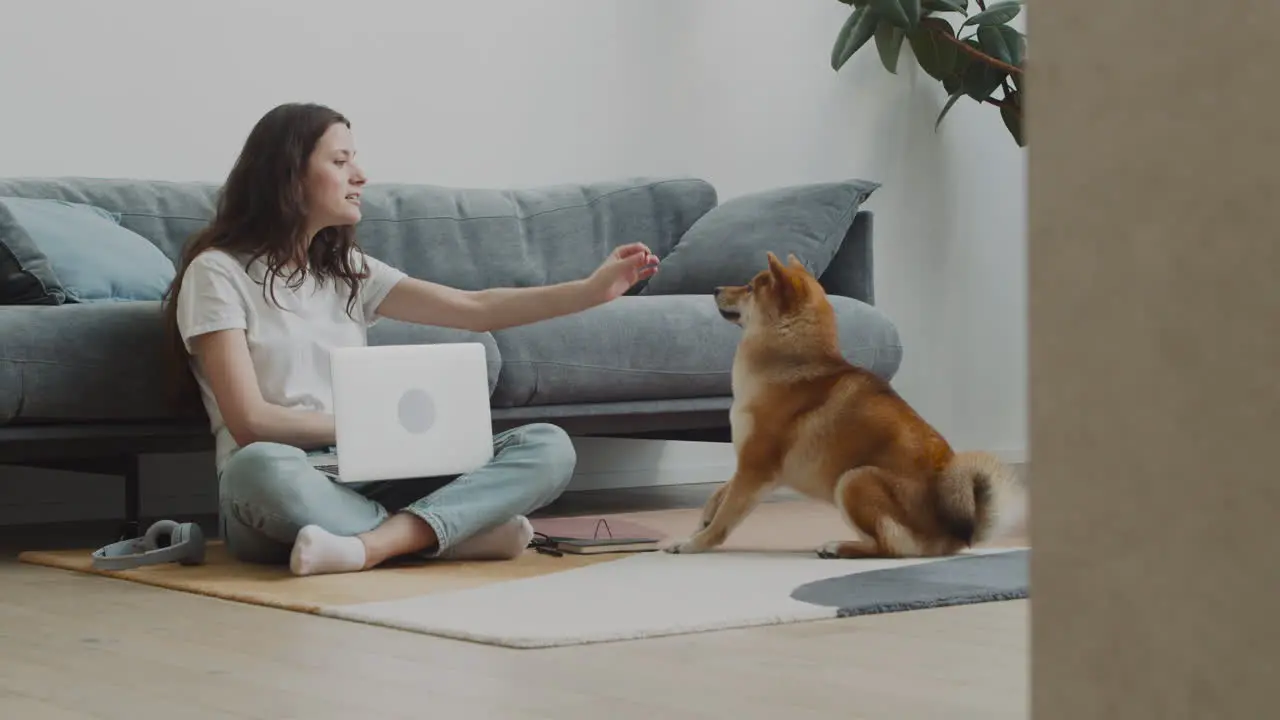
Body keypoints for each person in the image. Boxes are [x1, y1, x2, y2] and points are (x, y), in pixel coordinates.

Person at [160, 102, 659, 577]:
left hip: (376, 472)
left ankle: (371, 545)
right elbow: (250, 423)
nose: (360, 175)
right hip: (289, 481)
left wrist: (592, 290)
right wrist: (370, 426)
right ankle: (445, 533)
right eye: (340, 161)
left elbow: (473, 308)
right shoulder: (217, 273)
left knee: (547, 446)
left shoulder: (344, 270)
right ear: (288, 174)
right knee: (257, 468)